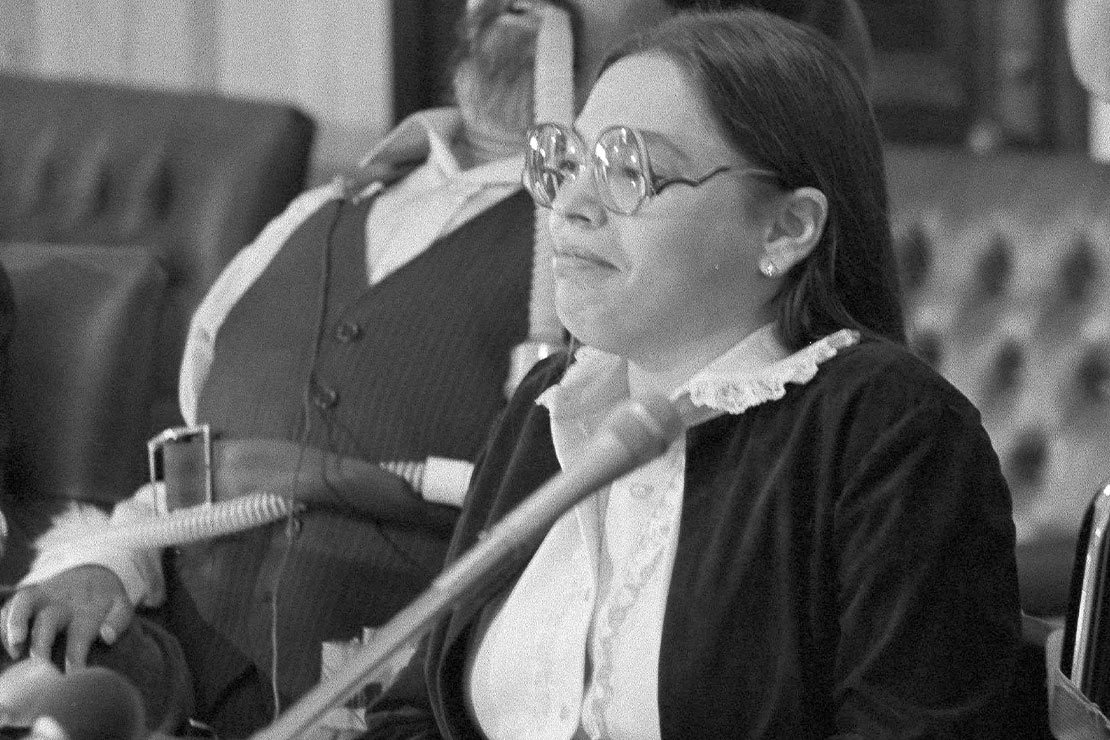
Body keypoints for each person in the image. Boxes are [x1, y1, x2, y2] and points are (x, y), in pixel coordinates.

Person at [0, 1, 875, 737]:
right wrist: (99, 562)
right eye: (565, 167)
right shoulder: (318, 211)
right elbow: (176, 478)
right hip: (158, 687)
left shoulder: (638, 281)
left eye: (624, 165)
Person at [362, 9, 1022, 740]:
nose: (572, 206)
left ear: (786, 228)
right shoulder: (548, 406)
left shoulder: (891, 434)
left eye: (630, 170)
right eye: (569, 160)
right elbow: (416, 707)